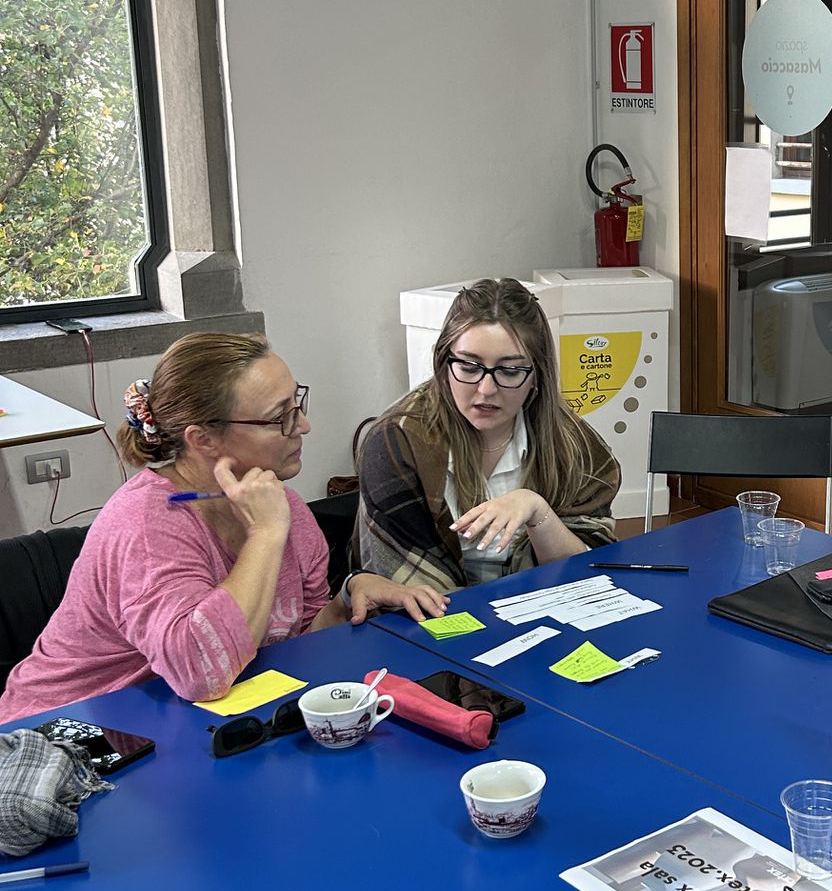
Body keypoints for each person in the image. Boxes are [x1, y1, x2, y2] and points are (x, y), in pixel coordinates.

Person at [0, 333, 448, 723]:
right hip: (65, 736)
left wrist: (346, 599)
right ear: (203, 439)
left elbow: (293, 643)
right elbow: (201, 674)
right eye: (280, 416)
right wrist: (265, 536)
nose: (303, 426)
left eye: (297, 405)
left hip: (179, 727)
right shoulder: (146, 524)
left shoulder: (284, 507)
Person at [357, 277, 620, 592]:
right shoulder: (396, 441)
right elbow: (408, 592)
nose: (486, 389)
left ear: (537, 375)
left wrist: (536, 511)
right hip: (440, 614)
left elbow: (586, 570)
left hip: (538, 603)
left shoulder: (572, 442)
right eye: (469, 367)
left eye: (509, 371)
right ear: (444, 365)